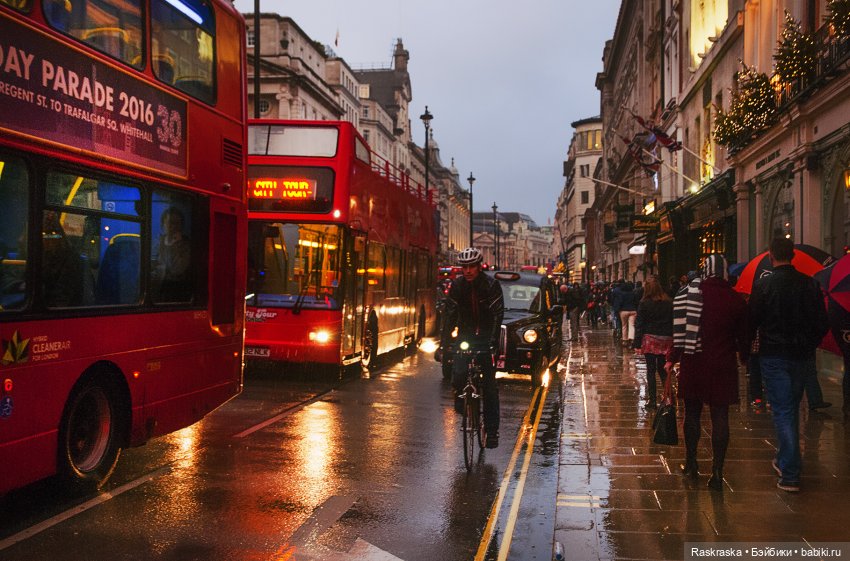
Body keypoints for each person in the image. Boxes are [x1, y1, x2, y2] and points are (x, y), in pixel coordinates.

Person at [749, 238, 828, 492]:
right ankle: (784, 460)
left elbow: (752, 321)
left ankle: (790, 473)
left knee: (783, 411)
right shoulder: (809, 284)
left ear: (771, 256)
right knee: (790, 407)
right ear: (792, 255)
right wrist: (808, 344)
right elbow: (821, 322)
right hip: (801, 356)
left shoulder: (763, 285)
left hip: (774, 355)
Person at [665, 254, 749, 491]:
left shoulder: (688, 295)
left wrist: (672, 358)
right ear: (724, 272)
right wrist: (744, 356)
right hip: (723, 365)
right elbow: (744, 336)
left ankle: (691, 462)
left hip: (695, 362)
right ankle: (717, 471)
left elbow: (679, 332)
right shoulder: (735, 299)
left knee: (692, 413)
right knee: (720, 417)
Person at [436, 247, 505, 448]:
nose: (467, 271)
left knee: (490, 387)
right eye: (464, 267)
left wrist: (492, 341)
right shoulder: (457, 286)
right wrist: (445, 343)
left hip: (485, 336)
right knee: (457, 373)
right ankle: (461, 397)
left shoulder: (491, 285)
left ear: (479, 267)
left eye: (471, 267)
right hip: (465, 335)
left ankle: (491, 431)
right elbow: (449, 315)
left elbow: (497, 315)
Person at [634, 275, 673, 409]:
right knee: (663, 368)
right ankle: (668, 397)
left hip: (650, 338)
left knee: (651, 370)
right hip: (665, 338)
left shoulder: (644, 303)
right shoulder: (668, 302)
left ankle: (652, 400)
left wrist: (637, 343)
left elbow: (639, 324)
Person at [152, 206, 191, 301]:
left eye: (177, 223)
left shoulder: (186, 244)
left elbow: (178, 269)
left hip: (177, 289)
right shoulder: (157, 241)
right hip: (158, 287)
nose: (173, 226)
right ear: (163, 224)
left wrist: (175, 244)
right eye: (170, 222)